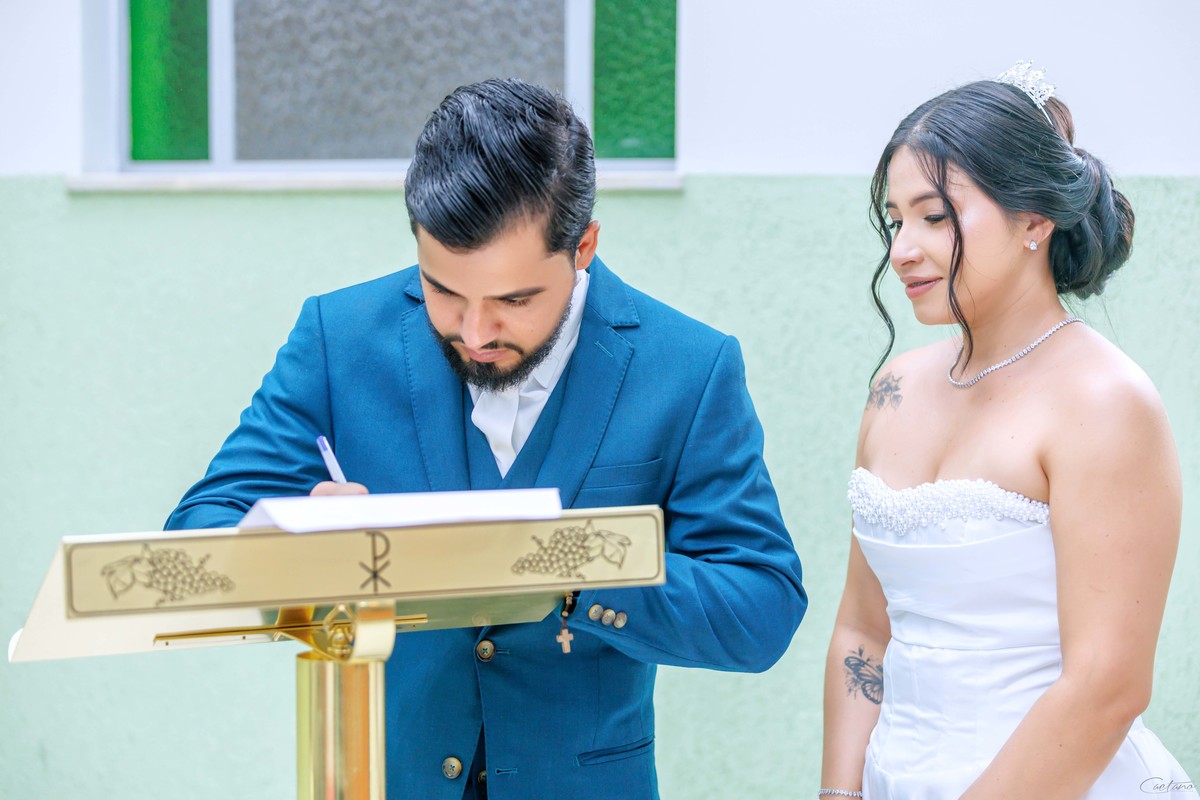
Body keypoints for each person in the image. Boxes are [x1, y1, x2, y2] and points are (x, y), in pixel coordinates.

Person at [166, 78, 807, 799]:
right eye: (443, 291)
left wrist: (573, 564)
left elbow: (761, 608)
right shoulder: (336, 339)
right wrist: (294, 548)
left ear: (584, 246)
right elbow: (193, 544)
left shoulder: (688, 366)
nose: (474, 332)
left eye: (513, 299)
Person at [821, 63, 1197, 799]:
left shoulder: (1105, 401)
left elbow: (1107, 684)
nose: (902, 250)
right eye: (895, 221)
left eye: (935, 217)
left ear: (1034, 219)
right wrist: (840, 792)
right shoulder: (894, 389)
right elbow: (864, 628)